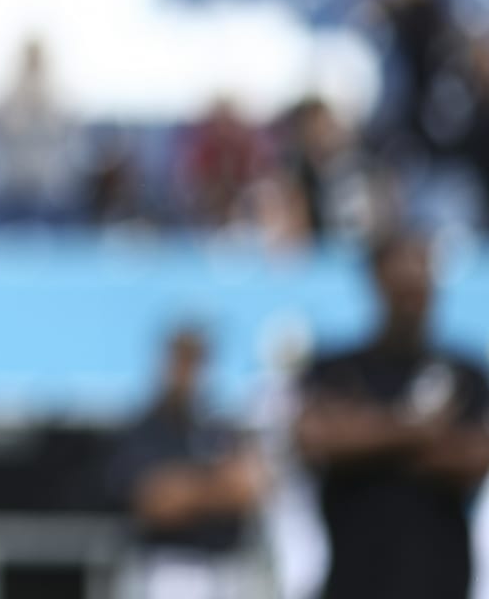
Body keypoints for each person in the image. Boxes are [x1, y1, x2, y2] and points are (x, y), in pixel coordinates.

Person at [294, 231, 489, 599]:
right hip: (354, 581)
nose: (412, 299)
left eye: (420, 283)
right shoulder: (336, 368)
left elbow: (475, 457)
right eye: (401, 287)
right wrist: (420, 430)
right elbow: (315, 438)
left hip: (440, 582)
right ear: (377, 285)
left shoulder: (465, 372)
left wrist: (365, 433)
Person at [108, 326, 268, 599]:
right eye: (181, 359)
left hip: (225, 571)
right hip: (169, 571)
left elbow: (252, 489)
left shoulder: (218, 425)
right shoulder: (145, 428)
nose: (188, 371)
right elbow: (157, 502)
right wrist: (218, 487)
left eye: (196, 360)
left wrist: (190, 488)